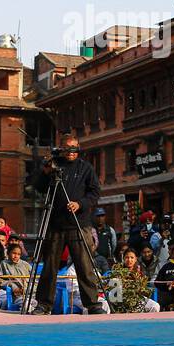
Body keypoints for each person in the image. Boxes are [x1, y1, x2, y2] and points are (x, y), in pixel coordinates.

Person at [27, 134, 104, 315]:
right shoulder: (54, 165)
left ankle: (92, 304)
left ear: (78, 148)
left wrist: (80, 204)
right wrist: (45, 173)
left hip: (79, 223)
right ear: (61, 148)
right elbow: (38, 188)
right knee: (49, 267)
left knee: (84, 266)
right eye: (67, 148)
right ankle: (44, 305)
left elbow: (95, 193)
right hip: (55, 224)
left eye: (73, 148)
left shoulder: (85, 168)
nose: (70, 152)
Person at [106, 248, 158, 314]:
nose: (129, 260)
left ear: (136, 259)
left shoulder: (139, 273)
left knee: (155, 306)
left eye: (132, 257)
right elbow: (113, 295)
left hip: (137, 299)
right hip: (120, 300)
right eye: (127, 257)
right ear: (123, 259)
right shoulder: (117, 271)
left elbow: (143, 290)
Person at [0, 242, 32, 310]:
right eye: (14, 253)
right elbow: (0, 281)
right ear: (8, 253)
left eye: (18, 254)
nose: (16, 256)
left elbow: (34, 280)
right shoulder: (4, 264)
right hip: (15, 295)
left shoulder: (26, 265)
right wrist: (13, 287)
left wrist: (26, 290)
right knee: (25, 305)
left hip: (29, 293)